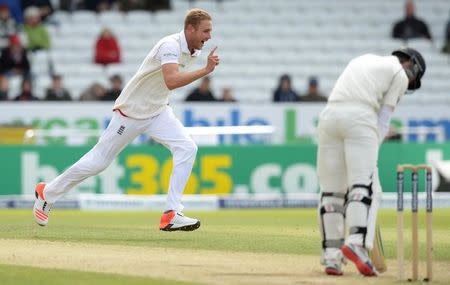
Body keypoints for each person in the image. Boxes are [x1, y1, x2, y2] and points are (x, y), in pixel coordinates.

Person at [33, 8, 219, 232]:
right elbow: (171, 80)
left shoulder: (193, 51)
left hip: (158, 111)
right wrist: (205, 71)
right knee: (98, 162)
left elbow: (163, 85)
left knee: (187, 147)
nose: (209, 36)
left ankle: (171, 213)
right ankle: (48, 193)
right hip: (131, 112)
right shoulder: (169, 45)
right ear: (190, 28)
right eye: (205, 31)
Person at [317, 47, 425, 276]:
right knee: (362, 184)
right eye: (412, 81)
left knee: (332, 192)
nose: (408, 87)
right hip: (360, 116)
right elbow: (383, 120)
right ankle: (356, 242)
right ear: (411, 65)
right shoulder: (399, 73)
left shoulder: (363, 59)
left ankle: (331, 256)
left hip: (328, 117)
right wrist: (370, 154)